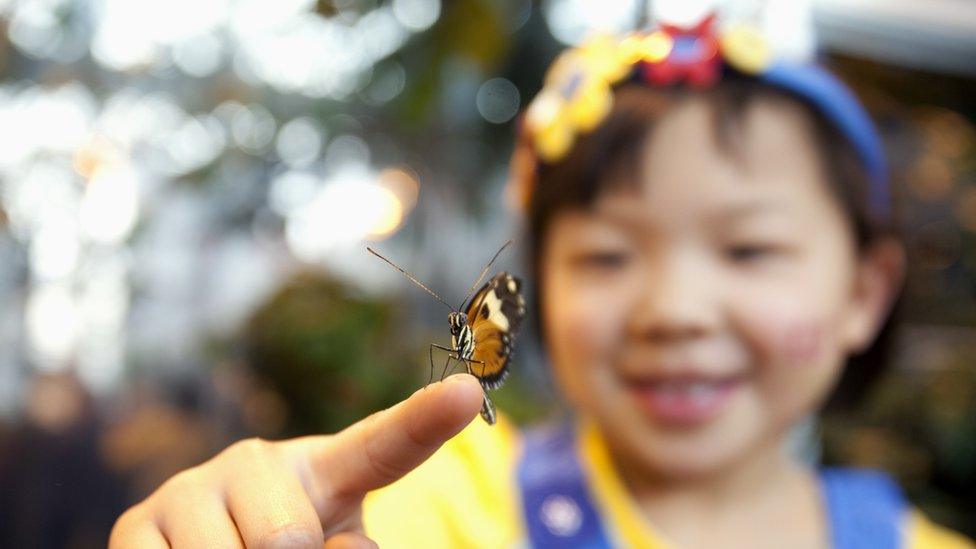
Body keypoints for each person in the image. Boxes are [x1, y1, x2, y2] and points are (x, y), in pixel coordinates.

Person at [110, 17, 974, 549]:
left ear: (865, 291)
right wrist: (248, 519)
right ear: (545, 290)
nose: (671, 311)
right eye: (606, 256)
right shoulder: (434, 511)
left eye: (748, 251)